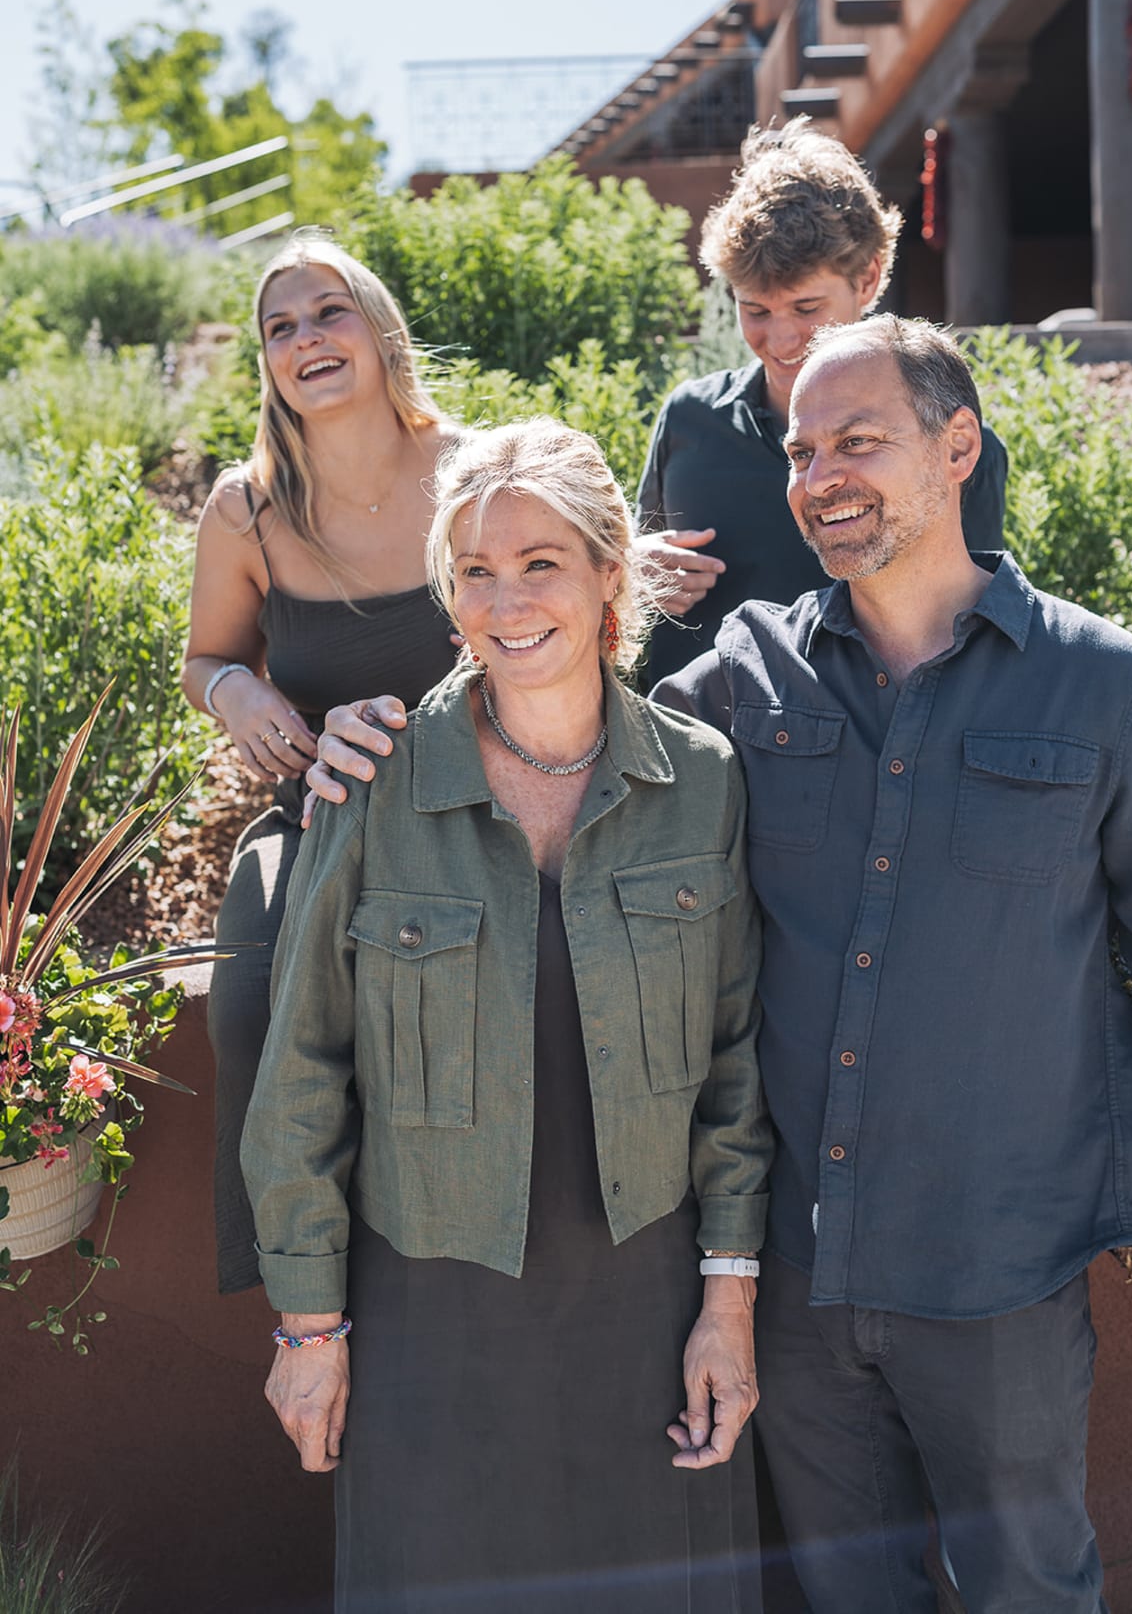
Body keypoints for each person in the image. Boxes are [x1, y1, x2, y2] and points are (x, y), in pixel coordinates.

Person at [651, 314, 1132, 1612]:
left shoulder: (1111, 690)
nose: (821, 472)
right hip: (799, 1272)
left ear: (959, 446)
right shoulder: (744, 674)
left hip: (1001, 1271)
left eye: (859, 438)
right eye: (800, 448)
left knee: (1027, 1587)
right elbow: (580, 768)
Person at [242, 419, 773, 1614]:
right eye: (474, 570)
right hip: (433, 1297)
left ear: (609, 576)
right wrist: (307, 1327)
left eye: (541, 561)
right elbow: (303, 1065)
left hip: (646, 1300)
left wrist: (726, 1302)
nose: (507, 597)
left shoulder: (704, 778)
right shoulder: (370, 779)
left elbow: (735, 1067)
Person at [181, 234, 458, 1295]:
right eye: (279, 327)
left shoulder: (476, 470)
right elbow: (204, 657)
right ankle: (294, 1274)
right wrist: (240, 692)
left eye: (328, 311)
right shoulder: (243, 509)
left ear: (380, 328)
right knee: (249, 1000)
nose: (305, 337)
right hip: (321, 811)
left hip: (487, 804)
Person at [635, 117, 1008, 683]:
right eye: (755, 310)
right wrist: (632, 576)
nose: (781, 340)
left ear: (868, 279)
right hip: (698, 755)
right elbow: (630, 592)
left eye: (807, 309)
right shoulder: (688, 418)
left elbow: (977, 639)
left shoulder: (946, 450)